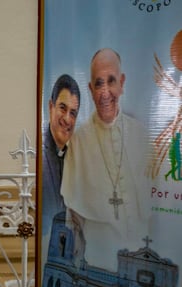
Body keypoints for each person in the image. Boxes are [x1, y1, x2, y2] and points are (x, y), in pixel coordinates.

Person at [60, 48, 151, 272]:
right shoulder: (79, 141)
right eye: (98, 84)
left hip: (143, 257)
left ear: (122, 83)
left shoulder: (140, 134)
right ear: (90, 89)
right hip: (98, 261)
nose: (105, 92)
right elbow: (74, 215)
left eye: (111, 81)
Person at [41, 74, 80, 282]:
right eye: (63, 108)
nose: (67, 119)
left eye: (73, 113)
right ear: (50, 107)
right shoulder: (39, 155)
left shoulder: (75, 155)